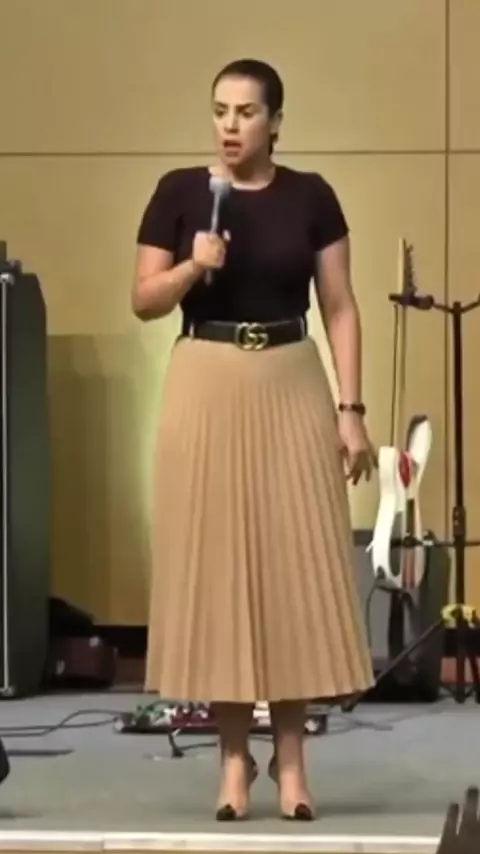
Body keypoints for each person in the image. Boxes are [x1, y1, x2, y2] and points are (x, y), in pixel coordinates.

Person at [132, 58, 377, 822]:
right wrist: (192, 268)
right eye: (220, 111)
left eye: (246, 112)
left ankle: (292, 760)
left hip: (291, 376)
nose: (230, 126)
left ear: (275, 122)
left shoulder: (311, 197)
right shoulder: (180, 193)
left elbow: (340, 306)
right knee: (220, 571)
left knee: (295, 567)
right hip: (206, 379)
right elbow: (144, 299)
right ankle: (234, 760)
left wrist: (351, 408)